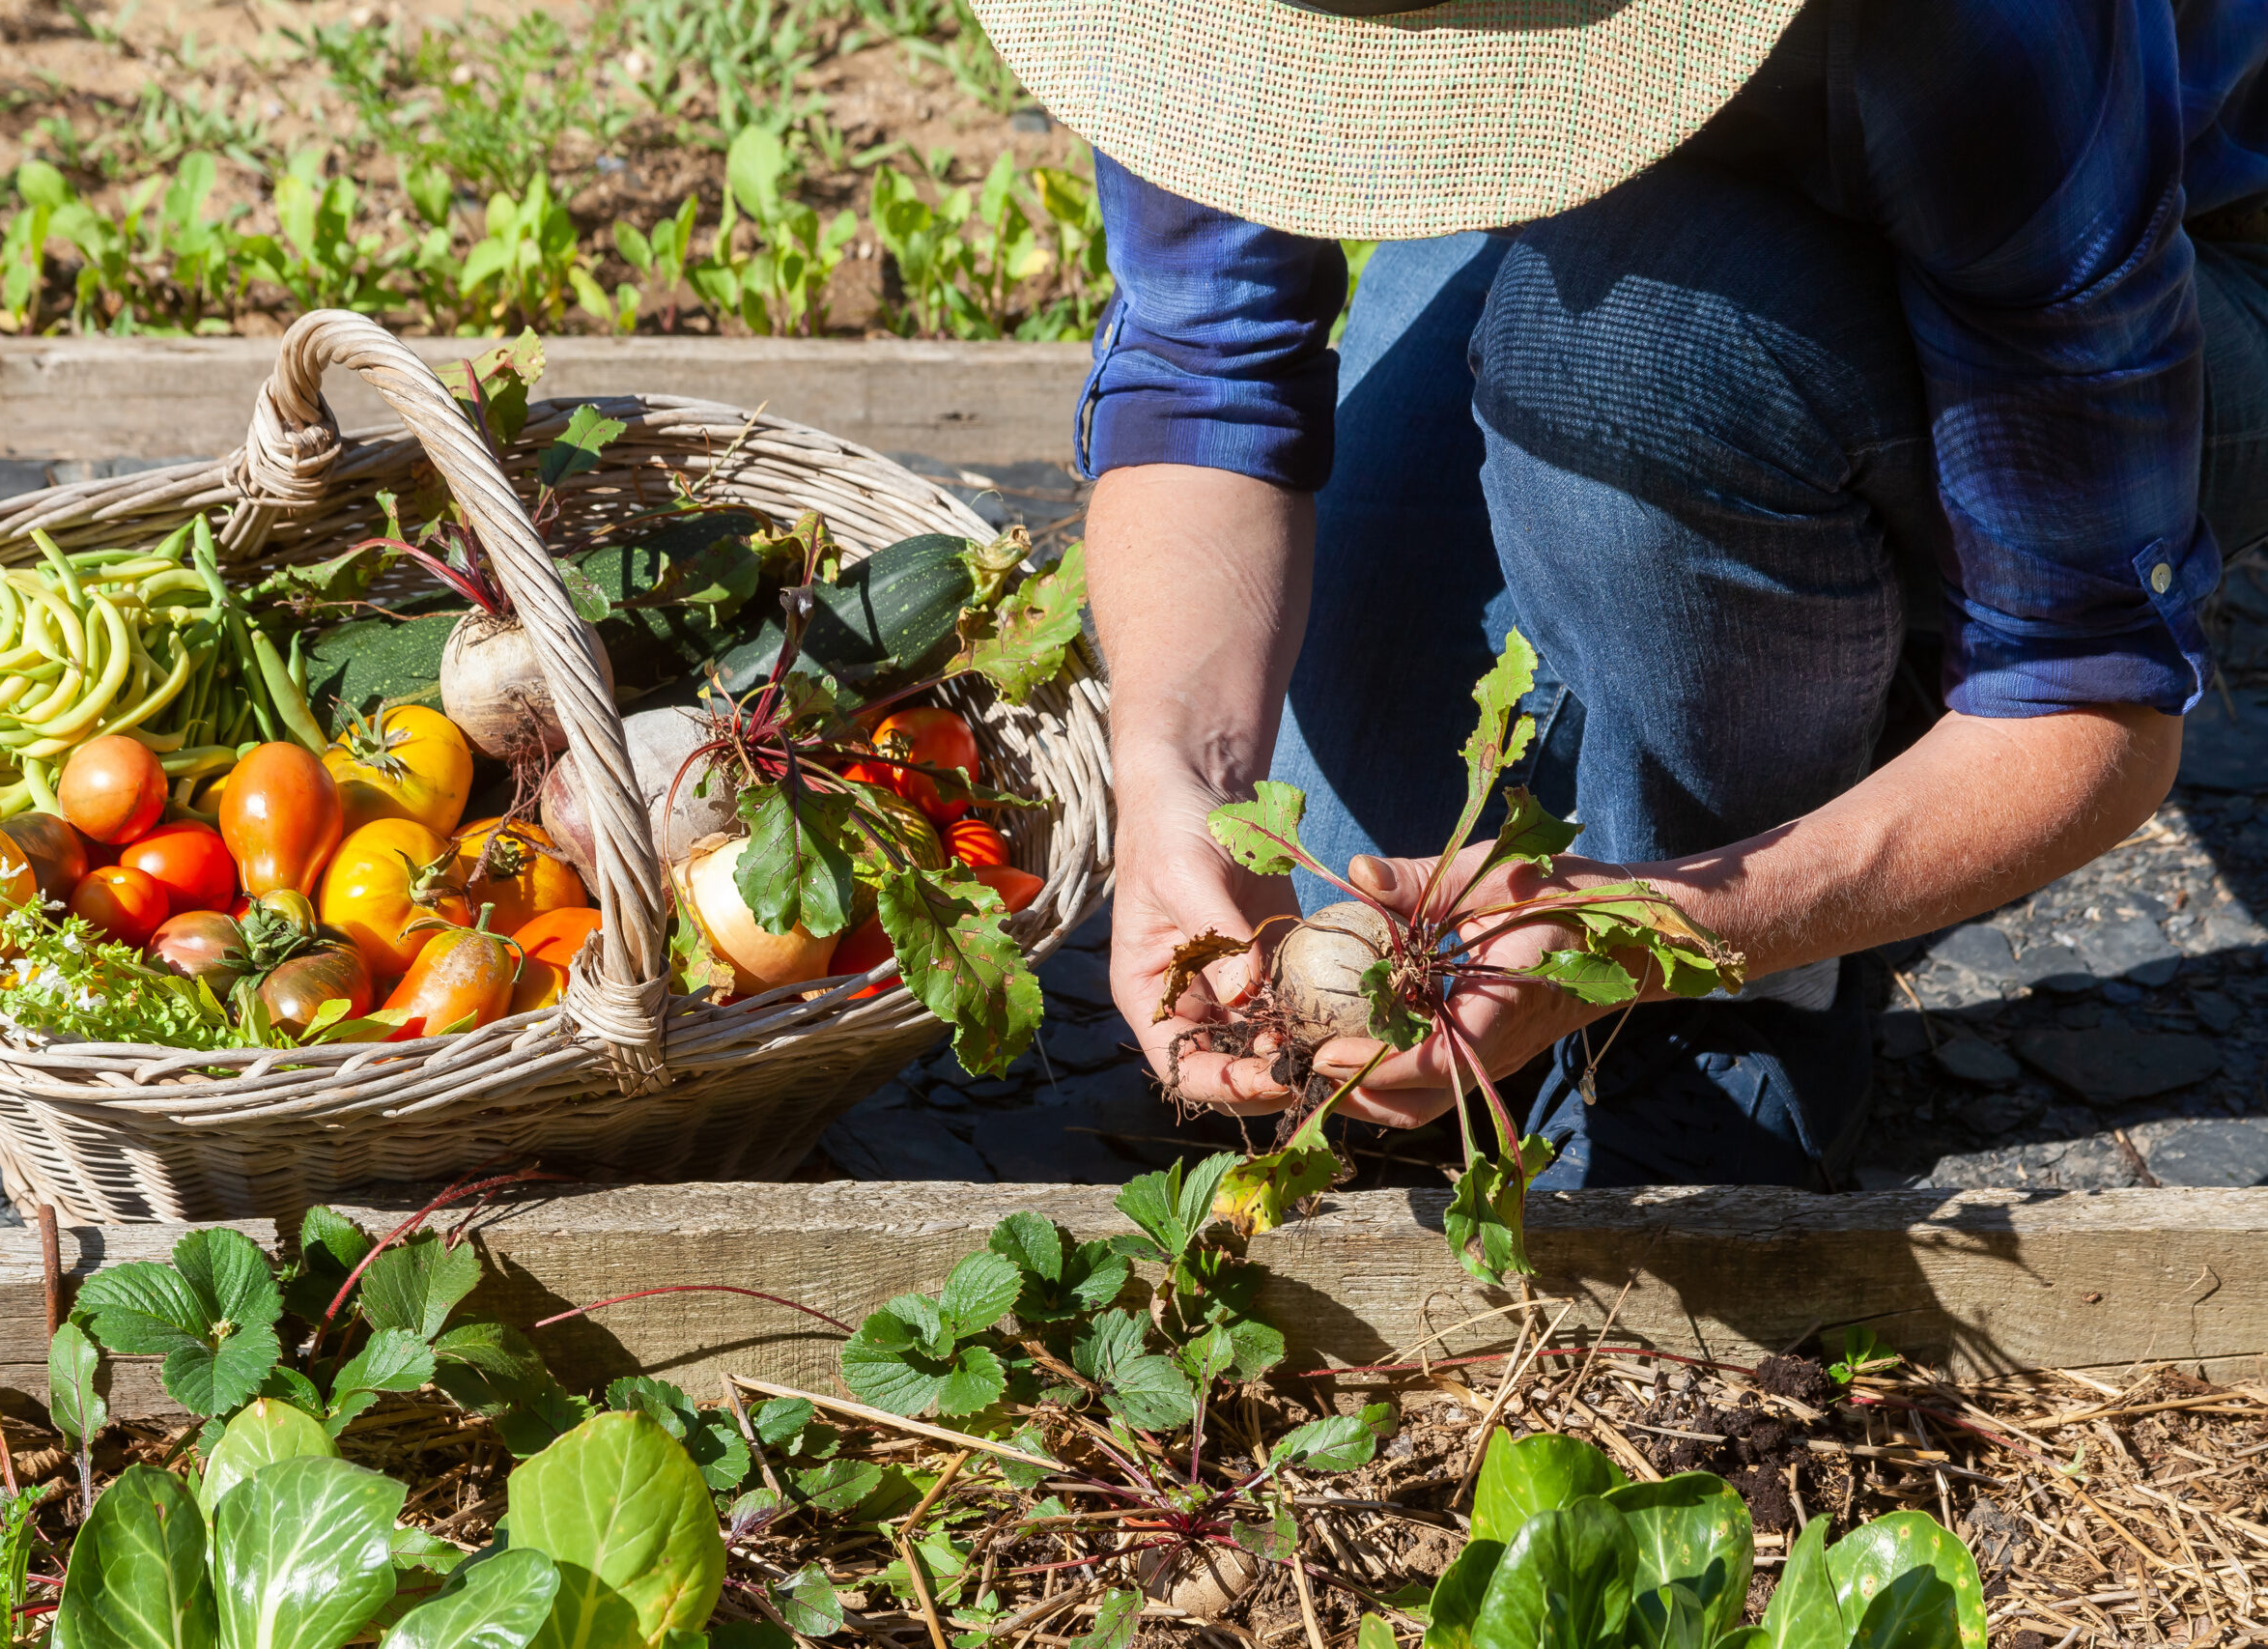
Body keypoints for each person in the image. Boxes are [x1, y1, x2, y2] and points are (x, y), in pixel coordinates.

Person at [966, 0, 2268, 1187]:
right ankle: (1761, 656)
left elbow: (2095, 697)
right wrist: (1177, 780)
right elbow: (1207, 369)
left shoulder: (1996, 33)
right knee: (1329, 898)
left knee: (1630, 353)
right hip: (1603, 226)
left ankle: (1758, 1001)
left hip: (2152, 251)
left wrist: (1658, 930)